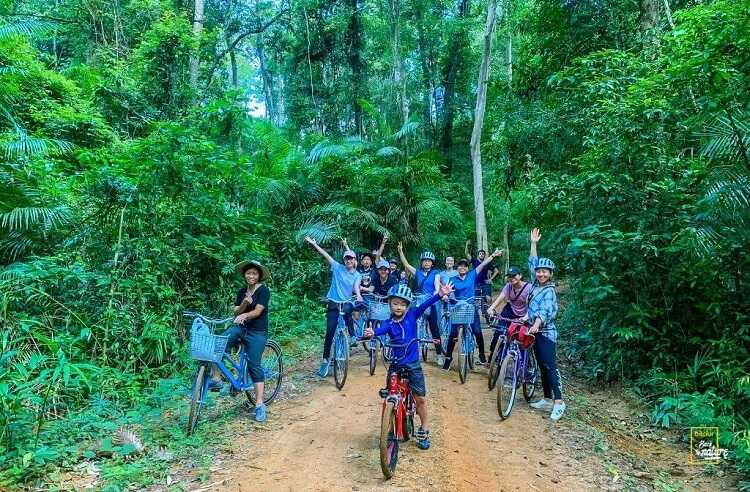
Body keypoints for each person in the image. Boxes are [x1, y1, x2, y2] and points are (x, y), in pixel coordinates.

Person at [364, 282, 455, 450]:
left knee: (419, 398)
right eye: (395, 303)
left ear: (407, 306)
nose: (399, 307)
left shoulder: (413, 315)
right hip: (396, 364)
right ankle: (390, 419)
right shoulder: (389, 323)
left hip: (412, 364)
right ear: (390, 304)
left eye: (403, 304)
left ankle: (424, 428)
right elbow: (381, 329)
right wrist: (372, 332)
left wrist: (440, 294)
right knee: (389, 391)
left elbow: (426, 304)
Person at [210, 260, 271, 422]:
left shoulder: (264, 291)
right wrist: (244, 303)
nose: (251, 276)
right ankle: (216, 379)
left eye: (254, 273)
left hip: (257, 331)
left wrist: (245, 315)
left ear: (259, 276)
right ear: (244, 275)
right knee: (219, 343)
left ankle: (259, 404)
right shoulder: (242, 291)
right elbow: (236, 310)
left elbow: (258, 311)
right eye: (248, 273)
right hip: (240, 329)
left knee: (254, 365)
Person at [304, 236, 361, 377]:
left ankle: (352, 336)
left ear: (354, 261)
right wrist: (315, 244)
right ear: (344, 260)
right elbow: (326, 255)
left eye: (351, 259)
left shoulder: (357, 274)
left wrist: (359, 295)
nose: (349, 260)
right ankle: (325, 360)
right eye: (347, 258)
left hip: (346, 302)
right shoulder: (337, 267)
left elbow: (356, 287)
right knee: (330, 332)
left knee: (348, 309)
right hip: (333, 303)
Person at [526, 228, 565, 421]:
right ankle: (548, 398)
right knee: (541, 365)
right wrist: (534, 244)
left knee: (549, 366)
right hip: (535, 331)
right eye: (539, 271)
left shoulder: (549, 290)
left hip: (546, 332)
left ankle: (558, 401)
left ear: (550, 274)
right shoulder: (534, 284)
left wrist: (536, 323)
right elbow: (532, 262)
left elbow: (546, 311)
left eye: (544, 272)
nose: (541, 274)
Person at [441, 250, 503, 369]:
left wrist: (493, 255)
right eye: (460, 266)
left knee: (477, 331)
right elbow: (448, 291)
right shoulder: (453, 279)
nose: (462, 267)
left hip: (470, 307)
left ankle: (480, 354)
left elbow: (483, 264)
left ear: (467, 268)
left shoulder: (472, 274)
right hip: (458, 307)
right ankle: (448, 358)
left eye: (465, 266)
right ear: (457, 267)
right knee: (452, 334)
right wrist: (447, 296)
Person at [397, 242, 444, 364]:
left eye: (429, 261)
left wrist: (435, 295)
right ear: (422, 262)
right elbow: (406, 264)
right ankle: (411, 351)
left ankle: (439, 354)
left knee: (434, 328)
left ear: (432, 263)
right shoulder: (417, 272)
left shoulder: (436, 273)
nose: (427, 263)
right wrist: (401, 251)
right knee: (411, 324)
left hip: (430, 302)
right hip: (417, 301)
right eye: (425, 261)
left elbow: (437, 287)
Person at [486, 266, 532, 357]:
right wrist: (491, 308)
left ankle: (524, 362)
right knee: (499, 331)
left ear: (520, 276)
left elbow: (531, 306)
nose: (511, 278)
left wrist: (526, 317)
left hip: (525, 314)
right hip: (510, 310)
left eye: (514, 276)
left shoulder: (529, 288)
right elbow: (500, 298)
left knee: (522, 337)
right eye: (510, 276)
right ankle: (493, 355)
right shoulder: (508, 286)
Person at [465, 240, 499, 307]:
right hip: (475, 283)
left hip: (485, 283)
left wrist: (491, 279)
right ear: (478, 255)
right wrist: (467, 245)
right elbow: (467, 254)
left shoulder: (487, 263)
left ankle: (489, 312)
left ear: (484, 255)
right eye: (480, 254)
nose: (481, 255)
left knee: (488, 299)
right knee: (474, 299)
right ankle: (475, 313)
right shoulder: (475, 261)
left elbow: (496, 271)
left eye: (483, 254)